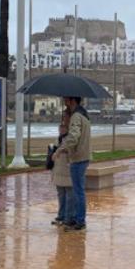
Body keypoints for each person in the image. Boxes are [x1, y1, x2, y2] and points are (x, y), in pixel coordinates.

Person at [53, 96, 92, 231]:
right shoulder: (84, 115)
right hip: (84, 157)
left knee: (78, 191)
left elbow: (74, 137)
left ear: (72, 101)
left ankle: (79, 221)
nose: (65, 102)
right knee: (78, 191)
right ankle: (77, 218)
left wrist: (60, 149)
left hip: (78, 158)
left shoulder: (76, 116)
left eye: (66, 100)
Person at [50, 111, 73, 226]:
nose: (61, 129)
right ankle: (61, 216)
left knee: (69, 194)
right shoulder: (58, 139)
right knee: (61, 194)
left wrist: (61, 151)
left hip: (67, 169)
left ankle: (67, 218)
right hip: (58, 169)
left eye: (63, 127)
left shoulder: (71, 137)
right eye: (60, 127)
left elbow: (71, 150)